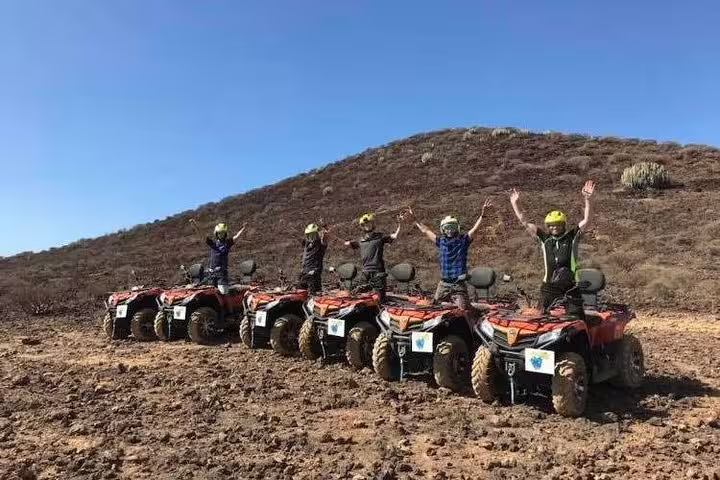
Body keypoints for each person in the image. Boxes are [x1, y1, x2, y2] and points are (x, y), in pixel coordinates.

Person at [509, 180, 596, 316]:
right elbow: (524, 222)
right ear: (547, 227)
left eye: (558, 224)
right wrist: (515, 203)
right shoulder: (545, 239)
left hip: (571, 286)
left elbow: (587, 220)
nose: (554, 227)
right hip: (549, 286)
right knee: (540, 317)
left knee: (577, 319)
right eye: (551, 225)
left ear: (563, 225)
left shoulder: (571, 237)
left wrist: (588, 200)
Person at [408, 199, 492, 311]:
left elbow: (475, 229)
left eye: (452, 227)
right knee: (433, 307)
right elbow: (425, 230)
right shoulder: (440, 241)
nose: (449, 230)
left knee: (465, 310)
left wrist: (483, 215)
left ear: (456, 228)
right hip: (443, 284)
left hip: (458, 285)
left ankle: (477, 317)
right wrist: (415, 219)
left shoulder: (463, 240)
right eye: (447, 227)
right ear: (443, 229)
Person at [343, 212, 402, 301]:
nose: (367, 226)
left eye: (369, 223)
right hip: (365, 272)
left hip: (378, 272)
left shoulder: (380, 237)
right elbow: (345, 243)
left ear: (373, 224)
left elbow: (394, 236)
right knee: (359, 297)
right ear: (362, 226)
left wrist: (400, 224)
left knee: (380, 299)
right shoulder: (360, 240)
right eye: (364, 224)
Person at [189, 219, 247, 294]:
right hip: (211, 273)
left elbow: (237, 236)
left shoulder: (227, 243)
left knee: (223, 291)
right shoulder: (212, 243)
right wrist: (194, 225)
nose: (221, 235)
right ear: (216, 234)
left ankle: (229, 304)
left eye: (223, 233)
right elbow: (201, 235)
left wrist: (244, 228)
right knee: (208, 292)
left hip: (222, 274)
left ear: (225, 233)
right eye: (219, 233)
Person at [298, 221, 329, 294]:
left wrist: (324, 229)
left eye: (313, 235)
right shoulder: (307, 244)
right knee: (300, 293)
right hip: (304, 272)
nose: (311, 237)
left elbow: (325, 238)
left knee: (314, 293)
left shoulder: (320, 245)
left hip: (314, 272)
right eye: (309, 235)